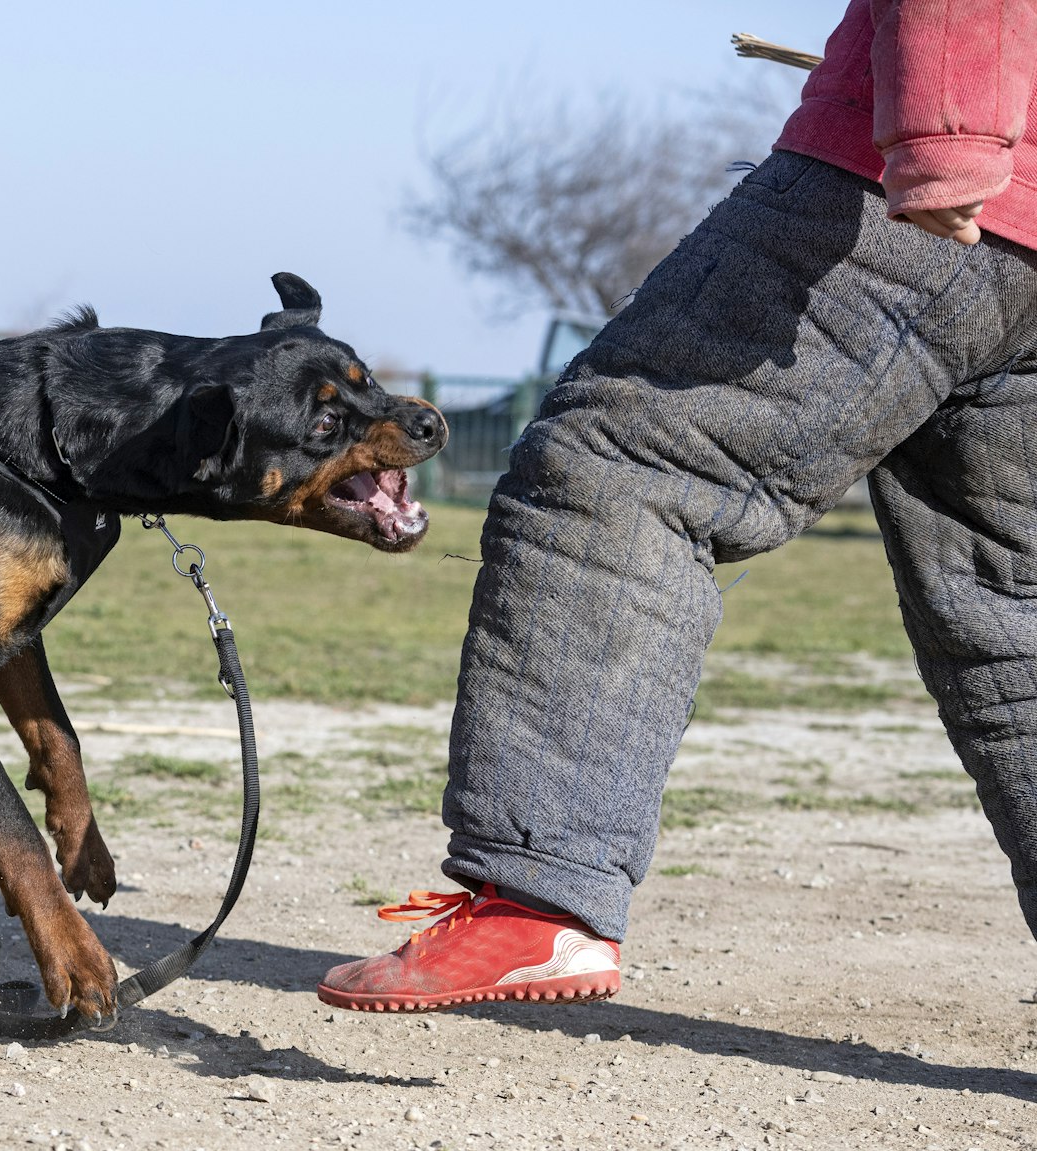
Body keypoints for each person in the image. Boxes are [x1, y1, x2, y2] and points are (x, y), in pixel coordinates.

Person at [319, 0, 1037, 1012]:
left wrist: (946, 138)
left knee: (616, 470)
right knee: (1011, 608)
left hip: (927, 190)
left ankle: (539, 900)